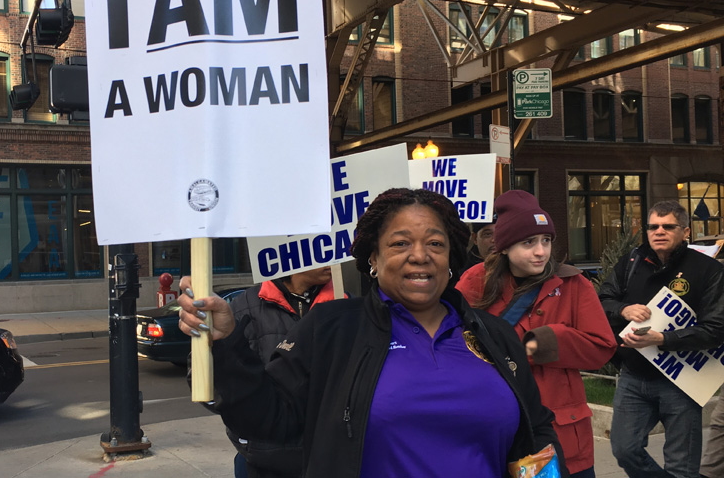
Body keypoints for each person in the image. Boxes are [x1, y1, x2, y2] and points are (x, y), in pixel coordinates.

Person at [177, 188, 562, 477]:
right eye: (400, 243)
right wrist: (226, 343)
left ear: (451, 259)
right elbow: (269, 420)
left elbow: (536, 429)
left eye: (435, 243)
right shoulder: (331, 329)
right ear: (373, 259)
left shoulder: (495, 335)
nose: (419, 255)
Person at [456, 190, 616, 478]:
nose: (541, 251)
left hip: (559, 434)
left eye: (546, 241)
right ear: (503, 247)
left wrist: (543, 343)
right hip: (495, 426)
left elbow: (602, 346)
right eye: (528, 242)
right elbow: (452, 343)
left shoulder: (573, 284)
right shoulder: (475, 281)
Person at [599, 200, 724, 478]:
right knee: (624, 449)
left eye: (668, 226)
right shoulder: (631, 262)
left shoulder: (709, 271)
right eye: (653, 226)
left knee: (681, 467)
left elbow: (715, 329)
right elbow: (603, 299)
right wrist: (622, 309)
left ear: (686, 232)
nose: (659, 232)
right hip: (634, 377)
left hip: (681, 381)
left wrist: (663, 339)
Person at [224, 266, 337, 478]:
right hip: (261, 457)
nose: (330, 259)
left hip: (327, 455)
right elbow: (220, 384)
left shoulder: (346, 302)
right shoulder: (243, 307)